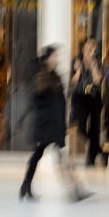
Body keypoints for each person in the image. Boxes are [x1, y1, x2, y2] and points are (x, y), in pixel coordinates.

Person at [20, 46, 92, 202]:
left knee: (40, 155)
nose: (57, 59)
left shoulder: (54, 75)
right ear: (48, 58)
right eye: (55, 56)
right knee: (52, 156)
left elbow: (63, 96)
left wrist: (77, 73)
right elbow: (38, 100)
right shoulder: (41, 75)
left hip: (53, 124)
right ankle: (75, 190)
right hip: (46, 124)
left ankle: (26, 187)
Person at [71, 39, 108, 167]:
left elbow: (98, 81)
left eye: (92, 49)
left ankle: (91, 159)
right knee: (79, 126)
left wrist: (93, 67)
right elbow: (73, 82)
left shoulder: (98, 63)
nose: (90, 51)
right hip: (80, 98)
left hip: (94, 98)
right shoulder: (76, 62)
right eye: (88, 48)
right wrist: (78, 71)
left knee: (95, 129)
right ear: (83, 49)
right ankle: (99, 150)